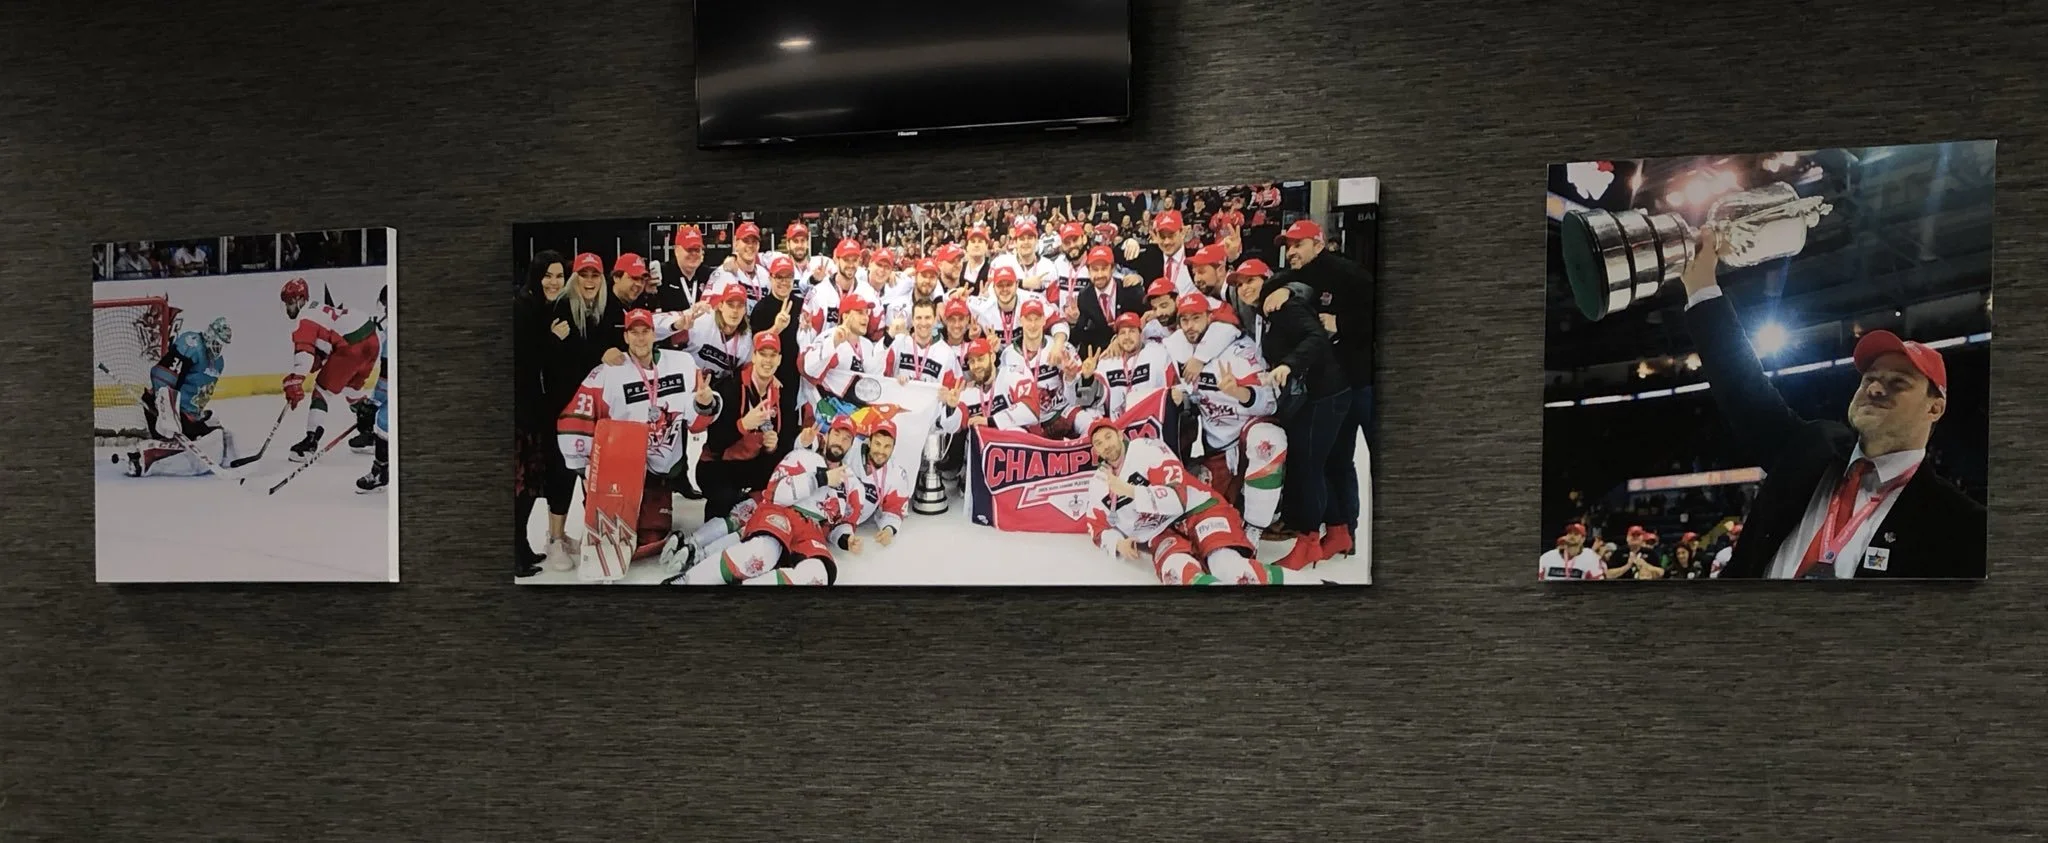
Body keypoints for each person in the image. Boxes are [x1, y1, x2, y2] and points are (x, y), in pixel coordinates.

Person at [1681, 227, 1984, 579]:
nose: (1874, 389)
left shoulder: (1960, 523)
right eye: (1869, 378)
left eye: (1897, 383)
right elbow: (1741, 387)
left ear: (1935, 408)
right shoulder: (1810, 447)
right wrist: (1701, 283)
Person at [555, 309, 722, 579]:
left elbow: (697, 419)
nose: (641, 338)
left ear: (655, 334)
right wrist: (584, 468)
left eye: (646, 331)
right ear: (626, 336)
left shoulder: (682, 363)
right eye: (635, 332)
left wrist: (705, 404)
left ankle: (649, 508)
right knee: (621, 536)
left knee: (653, 536)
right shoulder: (609, 371)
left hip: (662, 470)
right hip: (622, 474)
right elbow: (575, 416)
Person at [1271, 218, 1376, 558]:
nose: (1291, 252)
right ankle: (1345, 531)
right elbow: (1277, 281)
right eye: (1288, 247)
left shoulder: (1350, 274)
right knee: (1336, 459)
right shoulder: (1297, 275)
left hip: (1364, 382)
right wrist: (1286, 288)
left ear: (1318, 244)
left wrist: (1342, 323)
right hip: (1335, 386)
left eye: (1298, 245)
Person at [1232, 262, 1349, 567]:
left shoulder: (1284, 306)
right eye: (1240, 283)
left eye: (1251, 281)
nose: (1245, 287)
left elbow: (1315, 338)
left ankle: (1308, 541)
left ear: (1267, 280)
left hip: (1323, 395)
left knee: (1307, 468)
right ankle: (1338, 531)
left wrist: (1288, 365)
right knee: (1316, 465)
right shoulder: (1261, 310)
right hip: (1314, 395)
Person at [1082, 421, 1293, 586]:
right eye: (1099, 443)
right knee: (1178, 573)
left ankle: (1312, 586)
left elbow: (1178, 498)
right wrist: (1118, 542)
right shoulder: (1099, 482)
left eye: (1108, 437)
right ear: (1096, 451)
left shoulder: (1147, 448)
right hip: (1161, 535)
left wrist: (1131, 491)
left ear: (1120, 435)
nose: (1106, 445)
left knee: (1229, 569)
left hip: (1197, 510)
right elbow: (1097, 527)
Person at [668, 417, 868, 586]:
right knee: (762, 552)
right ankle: (690, 577)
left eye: (847, 438)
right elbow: (777, 492)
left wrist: (845, 539)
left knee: (818, 574)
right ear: (828, 434)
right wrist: (822, 478)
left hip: (812, 532)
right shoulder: (805, 457)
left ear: (852, 444)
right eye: (837, 434)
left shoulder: (852, 485)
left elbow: (843, 524)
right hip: (783, 513)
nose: (840, 441)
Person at [539, 252, 626, 568]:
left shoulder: (610, 306)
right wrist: (598, 354)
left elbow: (619, 348)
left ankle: (592, 534)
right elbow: (559, 359)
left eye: (595, 275)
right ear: (575, 277)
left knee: (596, 473)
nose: (589, 281)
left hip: (599, 409)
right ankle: (554, 538)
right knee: (562, 472)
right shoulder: (562, 307)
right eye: (584, 275)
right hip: (564, 407)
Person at [278, 277, 382, 465]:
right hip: (370, 336)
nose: (288, 308)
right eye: (286, 303)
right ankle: (370, 435)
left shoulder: (305, 319)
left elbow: (305, 353)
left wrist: (296, 379)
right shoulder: (317, 308)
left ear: (301, 300)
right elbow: (325, 347)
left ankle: (310, 443)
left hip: (351, 346)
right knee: (352, 391)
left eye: (290, 303)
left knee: (322, 392)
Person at [697, 332, 796, 520]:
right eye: (763, 354)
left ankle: (749, 509)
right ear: (753, 356)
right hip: (718, 466)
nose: (767, 361)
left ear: (779, 359)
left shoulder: (783, 394)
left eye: (772, 355)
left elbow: (786, 443)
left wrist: (773, 447)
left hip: (752, 465)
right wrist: (742, 425)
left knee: (782, 490)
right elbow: (715, 443)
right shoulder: (730, 388)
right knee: (724, 499)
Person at [123, 318, 237, 477]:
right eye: (218, 341)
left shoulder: (218, 362)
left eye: (222, 344)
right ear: (210, 334)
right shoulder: (192, 345)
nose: (219, 347)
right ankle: (143, 457)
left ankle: (224, 457)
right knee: (212, 441)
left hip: (185, 415)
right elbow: (162, 376)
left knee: (222, 434)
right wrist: (167, 411)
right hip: (164, 408)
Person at [514, 251, 567, 575]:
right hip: (521, 416)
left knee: (532, 486)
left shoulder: (542, 308)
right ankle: (514, 554)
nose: (554, 282)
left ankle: (521, 547)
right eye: (548, 275)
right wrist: (552, 339)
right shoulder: (521, 308)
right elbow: (523, 360)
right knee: (521, 488)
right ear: (536, 276)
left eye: (559, 276)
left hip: (535, 412)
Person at [1065, 245, 1149, 356]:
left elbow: (1146, 319)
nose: (1099, 275)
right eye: (1095, 269)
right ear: (1088, 271)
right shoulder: (1084, 297)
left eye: (1104, 269)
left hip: (1135, 353)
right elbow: (1082, 337)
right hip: (1105, 358)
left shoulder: (1129, 289)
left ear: (1113, 268)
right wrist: (1074, 323)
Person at [354, 285, 391, 495]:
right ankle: (382, 470)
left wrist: (374, 404)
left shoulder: (391, 333)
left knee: (384, 422)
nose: (386, 310)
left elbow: (387, 377)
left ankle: (381, 472)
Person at [1538, 524, 1604, 580]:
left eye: (1576, 534)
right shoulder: (1547, 557)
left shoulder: (1590, 558)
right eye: (1569, 533)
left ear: (1583, 539)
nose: (1572, 536)